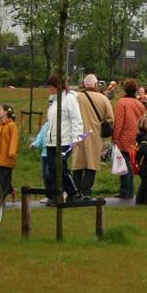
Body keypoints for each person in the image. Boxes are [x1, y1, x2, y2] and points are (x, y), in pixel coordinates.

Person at [44, 75, 84, 206]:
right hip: (51, 141)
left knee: (60, 165)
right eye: (50, 86)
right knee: (51, 169)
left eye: (53, 86)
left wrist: (77, 137)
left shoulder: (69, 99)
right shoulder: (53, 101)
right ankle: (56, 195)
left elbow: (76, 119)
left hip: (65, 140)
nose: (51, 89)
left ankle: (72, 191)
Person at [72, 74, 113, 198]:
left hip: (78, 134)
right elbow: (110, 119)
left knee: (77, 164)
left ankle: (76, 190)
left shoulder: (76, 98)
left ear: (84, 85)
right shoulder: (103, 98)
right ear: (96, 85)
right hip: (95, 135)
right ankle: (87, 191)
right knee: (92, 164)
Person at [112, 79, 147, 199]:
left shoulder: (122, 102)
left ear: (125, 89)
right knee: (131, 164)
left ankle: (125, 190)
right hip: (137, 137)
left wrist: (115, 138)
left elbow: (119, 122)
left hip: (124, 137)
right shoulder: (139, 104)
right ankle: (131, 190)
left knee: (124, 164)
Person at [30, 120, 54, 197]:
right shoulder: (45, 126)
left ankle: (54, 194)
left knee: (49, 174)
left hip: (52, 154)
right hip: (44, 154)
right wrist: (34, 144)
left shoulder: (57, 125)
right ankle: (48, 196)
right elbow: (40, 138)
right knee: (45, 176)